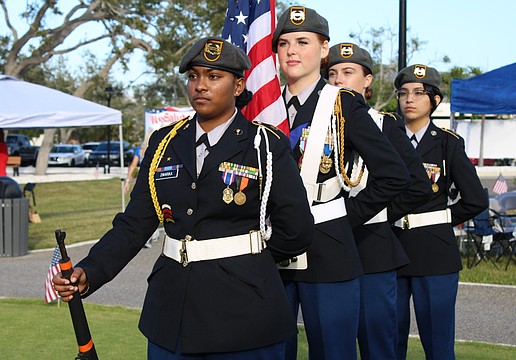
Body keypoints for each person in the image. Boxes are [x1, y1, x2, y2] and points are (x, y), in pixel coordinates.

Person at [53, 36, 314, 359]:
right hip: (172, 315)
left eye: (213, 77)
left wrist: (248, 261)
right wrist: (90, 270)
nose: (200, 86)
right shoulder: (165, 143)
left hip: (245, 316)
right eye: (193, 76)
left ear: (238, 86)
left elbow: (297, 229)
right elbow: (134, 225)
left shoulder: (264, 145)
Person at [272, 6, 411, 359]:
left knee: (333, 353)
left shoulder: (342, 105)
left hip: (328, 248)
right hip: (272, 249)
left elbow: (394, 174)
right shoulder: (263, 108)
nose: (292, 50)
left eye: (303, 41)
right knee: (271, 352)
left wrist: (344, 217)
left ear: (322, 50)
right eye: (284, 42)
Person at [324, 43, 433, 360]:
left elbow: (416, 186)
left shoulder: (383, 123)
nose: (338, 81)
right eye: (331, 74)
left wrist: (368, 215)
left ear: (367, 80)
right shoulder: (314, 127)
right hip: (326, 249)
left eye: (348, 72)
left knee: (377, 347)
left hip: (371, 248)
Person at [393, 64, 488, 360]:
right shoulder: (384, 138)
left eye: (419, 93)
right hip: (390, 248)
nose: (409, 99)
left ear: (435, 101)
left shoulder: (448, 143)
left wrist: (440, 219)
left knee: (438, 342)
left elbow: (475, 199)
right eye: (404, 93)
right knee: (387, 339)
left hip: (434, 252)